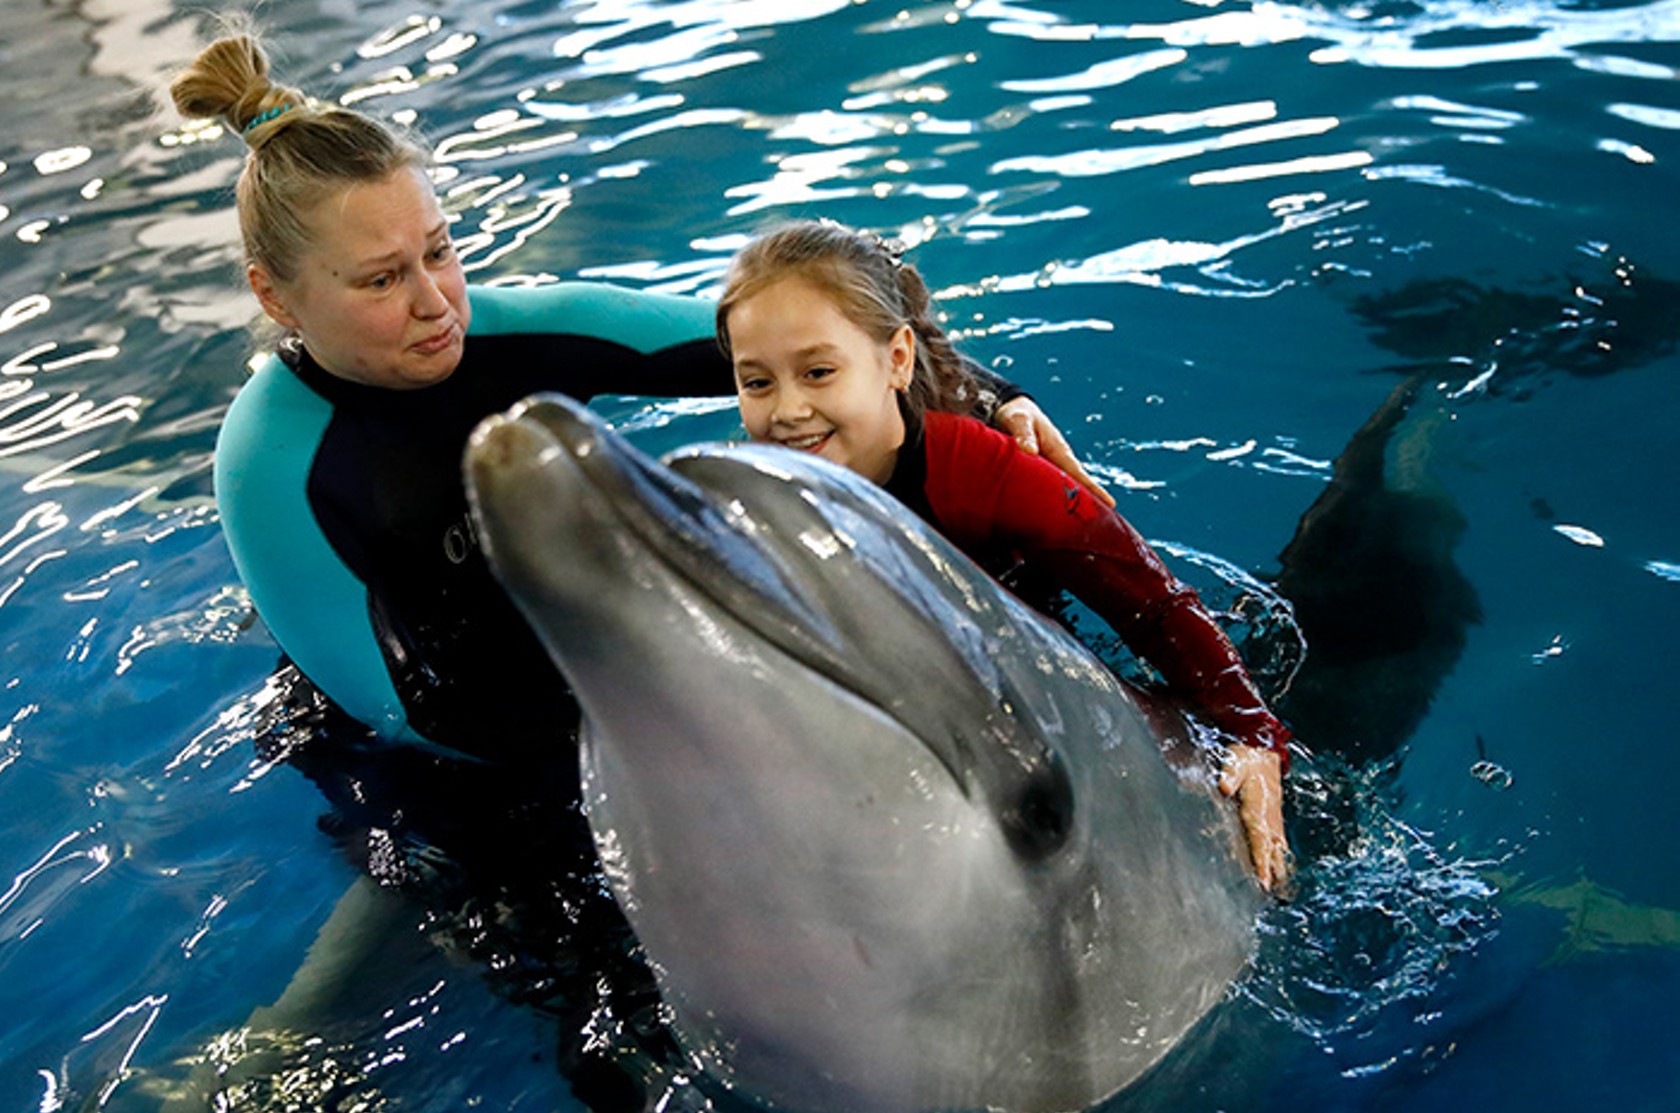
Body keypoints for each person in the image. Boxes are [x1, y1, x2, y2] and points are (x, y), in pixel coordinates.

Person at [171, 31, 1104, 765]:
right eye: (380, 282)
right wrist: (693, 732)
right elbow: (407, 711)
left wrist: (989, 399)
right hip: (424, 742)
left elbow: (804, 335)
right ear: (275, 295)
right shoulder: (270, 464)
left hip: (580, 644)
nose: (434, 303)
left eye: (440, 251)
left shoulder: (518, 329)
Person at [716, 220, 1294, 894]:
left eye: (818, 373)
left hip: (1029, 693)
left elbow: (1154, 606)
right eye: (757, 384)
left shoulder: (984, 473)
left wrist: (1254, 738)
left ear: (896, 360)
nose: (787, 411)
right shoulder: (769, 486)